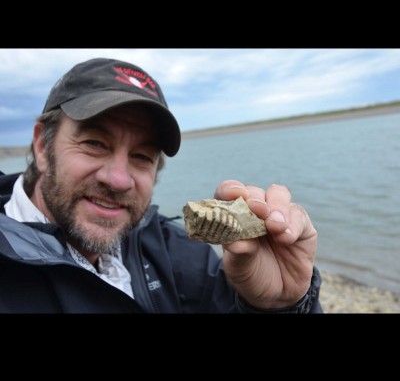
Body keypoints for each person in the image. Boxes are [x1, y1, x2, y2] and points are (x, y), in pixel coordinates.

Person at [0, 57, 322, 313]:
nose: (118, 180)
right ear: (43, 147)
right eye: (94, 143)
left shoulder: (176, 253)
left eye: (141, 156)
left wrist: (281, 306)